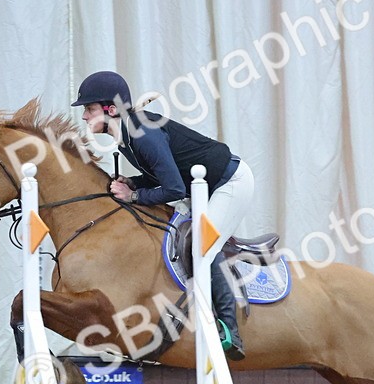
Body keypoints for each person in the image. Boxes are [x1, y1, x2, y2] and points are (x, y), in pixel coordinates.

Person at [71, 70, 254, 361]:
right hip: (201, 185)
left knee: (201, 246)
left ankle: (229, 329)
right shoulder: (128, 136)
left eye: (89, 108)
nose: (84, 116)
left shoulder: (142, 134)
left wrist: (133, 196)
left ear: (111, 109)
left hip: (229, 183)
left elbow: (173, 187)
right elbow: (162, 174)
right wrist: (135, 182)